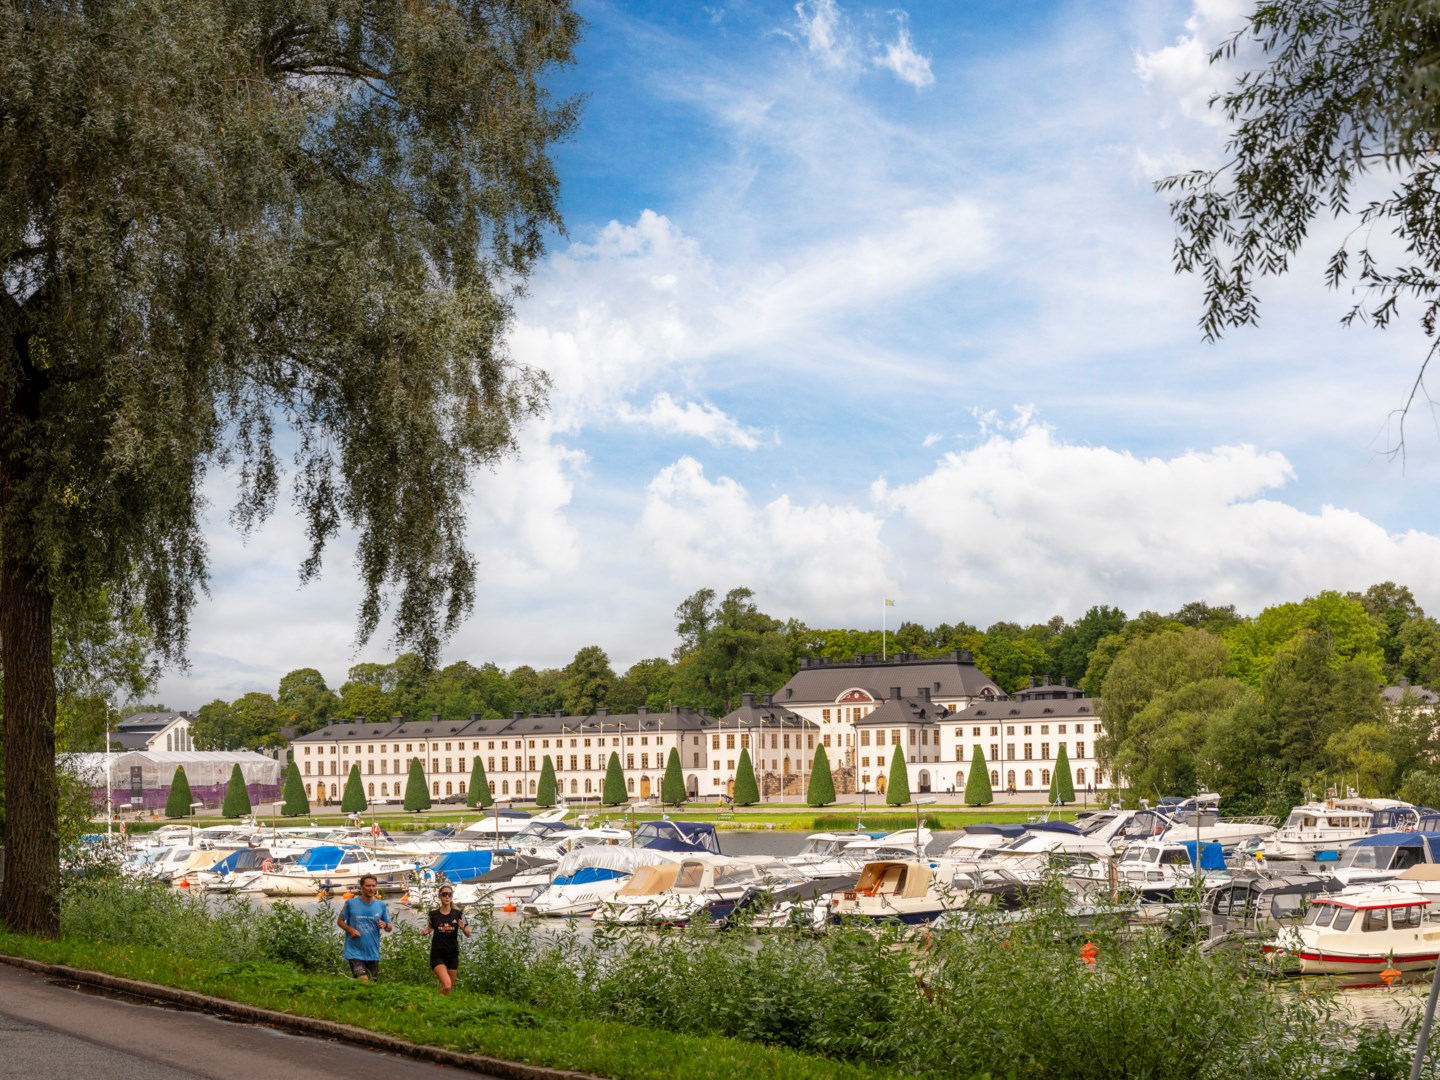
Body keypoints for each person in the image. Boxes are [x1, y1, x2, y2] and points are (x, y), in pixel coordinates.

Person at [337, 874, 393, 981]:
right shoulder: (351, 903)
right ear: (361, 886)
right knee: (363, 980)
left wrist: (385, 925)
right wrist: (351, 930)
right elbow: (340, 921)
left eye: (373, 886)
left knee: (371, 984)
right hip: (354, 951)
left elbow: (389, 927)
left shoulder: (381, 905)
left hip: (373, 952)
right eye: (368, 886)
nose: (371, 888)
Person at [421, 885, 471, 994]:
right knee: (447, 985)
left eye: (449, 894)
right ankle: (432, 1003)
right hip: (437, 955)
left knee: (448, 990)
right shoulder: (433, 914)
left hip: (452, 955)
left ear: (452, 897)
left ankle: (437, 1006)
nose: (447, 897)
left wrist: (462, 927)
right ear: (440, 896)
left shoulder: (458, 914)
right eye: (444, 894)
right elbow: (430, 927)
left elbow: (468, 934)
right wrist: (426, 931)